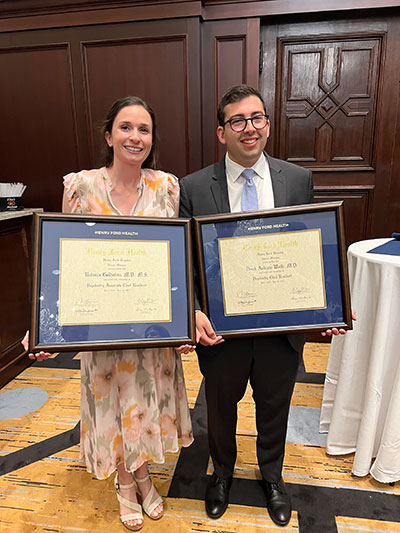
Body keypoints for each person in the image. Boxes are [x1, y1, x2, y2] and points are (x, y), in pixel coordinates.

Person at [179, 84, 350, 527]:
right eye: (237, 120)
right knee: (220, 409)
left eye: (256, 118)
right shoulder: (193, 187)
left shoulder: (297, 180)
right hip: (222, 331)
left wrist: (328, 307)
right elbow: (185, 263)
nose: (249, 128)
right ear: (222, 132)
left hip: (280, 330)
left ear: (268, 125)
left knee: (275, 407)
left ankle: (272, 477)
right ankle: (222, 473)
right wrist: (194, 310)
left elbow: (309, 251)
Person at [25, 96, 194, 531]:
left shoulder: (167, 187)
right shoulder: (81, 187)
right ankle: (126, 479)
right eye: (126, 127)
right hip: (101, 328)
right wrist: (42, 325)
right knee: (115, 402)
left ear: (152, 139)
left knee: (145, 402)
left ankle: (143, 472)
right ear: (108, 135)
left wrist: (183, 320)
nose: (135, 137)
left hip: (151, 328)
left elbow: (174, 263)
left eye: (144, 129)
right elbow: (62, 261)